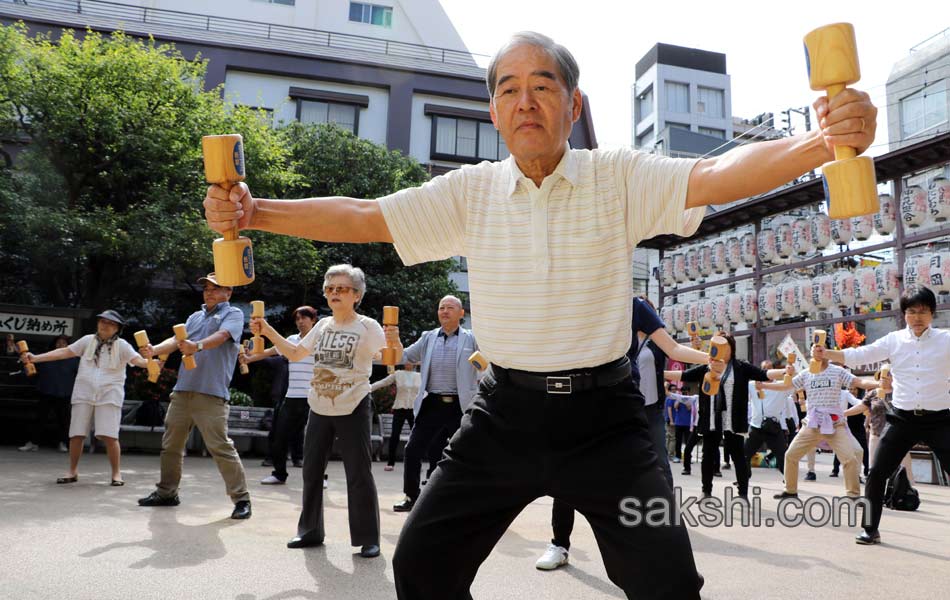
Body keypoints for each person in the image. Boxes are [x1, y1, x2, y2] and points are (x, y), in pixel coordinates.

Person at [202, 30, 876, 599]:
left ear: (572, 103)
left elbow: (716, 175)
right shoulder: (471, 193)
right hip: (503, 418)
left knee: (667, 581)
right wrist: (255, 212)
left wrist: (821, 142)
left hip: (606, 423)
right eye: (508, 88)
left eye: (543, 86)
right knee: (421, 566)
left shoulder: (617, 176)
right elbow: (367, 216)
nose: (525, 100)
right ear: (493, 111)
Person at [536, 295, 710, 571]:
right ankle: (559, 544)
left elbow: (674, 348)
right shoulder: (575, 298)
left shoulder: (634, 306)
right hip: (580, 401)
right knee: (566, 475)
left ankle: (666, 557)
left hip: (625, 404)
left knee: (645, 478)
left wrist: (713, 358)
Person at [251, 264, 391, 559]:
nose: (334, 293)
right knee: (311, 470)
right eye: (330, 289)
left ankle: (368, 538)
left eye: (341, 288)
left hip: (353, 403)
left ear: (357, 294)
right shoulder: (323, 325)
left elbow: (391, 357)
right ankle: (310, 531)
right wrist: (268, 331)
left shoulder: (368, 326)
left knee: (358, 473)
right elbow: (295, 353)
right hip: (319, 405)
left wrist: (396, 341)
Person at [814, 285, 950, 545]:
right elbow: (860, 355)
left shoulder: (946, 339)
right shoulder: (894, 340)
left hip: (940, 419)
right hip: (903, 419)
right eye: (911, 311)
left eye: (923, 311)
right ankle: (870, 529)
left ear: (932, 313)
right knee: (876, 473)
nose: (917, 317)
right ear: (904, 314)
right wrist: (826, 354)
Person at [137, 273, 252, 520]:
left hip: (211, 393)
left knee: (220, 447)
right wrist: (154, 349)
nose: (209, 292)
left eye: (215, 288)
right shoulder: (194, 316)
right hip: (182, 390)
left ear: (228, 292)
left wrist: (196, 345)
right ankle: (167, 493)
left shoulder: (233, 314)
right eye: (206, 288)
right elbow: (177, 340)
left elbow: (221, 337)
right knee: (170, 446)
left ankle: (242, 499)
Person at [21, 311, 147, 485]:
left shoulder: (123, 345)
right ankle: (72, 471)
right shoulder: (87, 340)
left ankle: (116, 474)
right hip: (84, 391)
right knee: (76, 434)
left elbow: (138, 360)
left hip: (109, 392)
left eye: (110, 323)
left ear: (117, 328)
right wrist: (36, 358)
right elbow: (64, 352)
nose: (105, 325)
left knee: (110, 435)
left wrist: (150, 363)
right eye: (102, 321)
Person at [667, 333, 788, 499]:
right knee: (708, 455)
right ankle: (706, 491)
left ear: (731, 349)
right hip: (711, 419)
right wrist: (661, 373)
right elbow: (684, 375)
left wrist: (784, 371)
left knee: (738, 455)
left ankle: (743, 493)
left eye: (725, 347)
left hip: (733, 419)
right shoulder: (706, 367)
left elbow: (763, 374)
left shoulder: (740, 367)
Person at [392, 295, 482, 513]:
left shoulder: (471, 339)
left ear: (461, 313)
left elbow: (485, 366)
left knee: (468, 453)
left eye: (450, 307)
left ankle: (471, 500)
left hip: (460, 405)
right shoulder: (428, 337)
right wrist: (393, 340)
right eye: (441, 307)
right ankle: (412, 496)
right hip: (431, 402)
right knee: (413, 449)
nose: (444, 311)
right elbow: (403, 356)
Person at [766, 351, 878, 500]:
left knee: (850, 459)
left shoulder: (838, 371)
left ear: (827, 354)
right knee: (790, 455)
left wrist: (879, 383)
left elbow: (859, 382)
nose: (816, 354)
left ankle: (853, 495)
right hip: (811, 425)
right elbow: (786, 386)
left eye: (820, 351)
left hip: (835, 425)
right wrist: (763, 385)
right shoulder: (806, 373)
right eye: (813, 351)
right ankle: (790, 491)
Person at [243, 306, 319, 485]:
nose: (300, 321)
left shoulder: (319, 339)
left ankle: (318, 477)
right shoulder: (290, 340)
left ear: (313, 320)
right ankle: (279, 474)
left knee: (316, 440)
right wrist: (248, 359)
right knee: (279, 436)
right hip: (291, 397)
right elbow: (269, 352)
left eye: (304, 318)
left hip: (314, 398)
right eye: (297, 319)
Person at [18, 335, 78, 453]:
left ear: (68, 345)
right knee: (40, 419)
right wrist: (25, 362)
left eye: (63, 343)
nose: (61, 345)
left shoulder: (74, 359)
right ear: (54, 344)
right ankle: (33, 443)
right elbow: (32, 370)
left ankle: (63, 443)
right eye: (58, 343)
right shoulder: (46, 356)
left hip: (64, 393)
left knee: (64, 421)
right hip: (46, 391)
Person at [744, 359, 798, 477]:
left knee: (783, 457)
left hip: (773, 427)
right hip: (756, 426)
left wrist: (790, 372)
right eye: (764, 369)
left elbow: (794, 385)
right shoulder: (752, 385)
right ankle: (744, 478)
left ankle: (789, 485)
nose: (766, 371)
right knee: (744, 455)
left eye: (769, 369)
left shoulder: (781, 385)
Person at [371, 361, 421, 472]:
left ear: (414, 364)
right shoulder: (398, 374)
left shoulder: (419, 376)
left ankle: (415, 462)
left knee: (416, 437)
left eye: (411, 361)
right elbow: (383, 382)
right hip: (400, 408)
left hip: (414, 409)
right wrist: (368, 388)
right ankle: (390, 463)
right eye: (407, 361)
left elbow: (425, 391)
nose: (408, 363)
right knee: (395, 435)